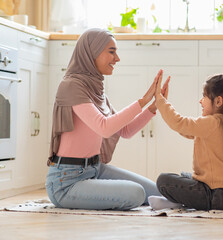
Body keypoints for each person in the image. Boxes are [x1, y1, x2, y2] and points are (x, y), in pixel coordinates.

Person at [46, 28, 168, 210]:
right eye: (111, 52)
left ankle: (193, 198)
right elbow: (104, 128)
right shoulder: (71, 86)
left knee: (158, 191)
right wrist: (142, 101)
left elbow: (125, 131)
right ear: (92, 52)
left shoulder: (96, 89)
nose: (117, 58)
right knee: (136, 193)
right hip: (66, 182)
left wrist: (152, 107)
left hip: (95, 169)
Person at [148, 66, 223, 211]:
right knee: (187, 176)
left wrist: (160, 100)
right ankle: (181, 200)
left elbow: (179, 123)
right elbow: (187, 130)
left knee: (164, 181)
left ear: (218, 101)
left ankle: (175, 203)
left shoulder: (212, 122)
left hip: (215, 196)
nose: (200, 101)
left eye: (204, 96)